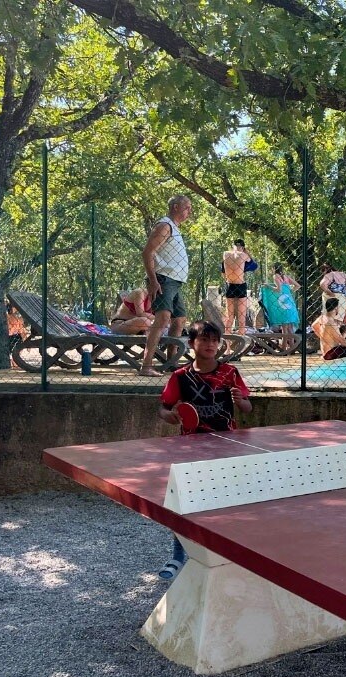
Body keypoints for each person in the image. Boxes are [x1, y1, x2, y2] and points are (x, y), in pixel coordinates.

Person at [156, 319, 252, 579]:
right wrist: (169, 416)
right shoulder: (180, 376)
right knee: (184, 503)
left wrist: (241, 401)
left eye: (214, 340)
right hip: (191, 448)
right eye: (204, 339)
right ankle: (178, 556)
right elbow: (163, 408)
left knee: (224, 500)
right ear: (191, 343)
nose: (210, 344)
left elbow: (247, 408)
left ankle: (223, 553)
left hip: (226, 446)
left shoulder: (230, 373)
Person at [139, 194, 192, 377]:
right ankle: (146, 366)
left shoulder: (175, 228)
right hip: (163, 279)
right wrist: (153, 281)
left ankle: (171, 363)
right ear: (175, 207)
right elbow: (147, 253)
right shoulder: (164, 226)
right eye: (187, 207)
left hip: (175, 281)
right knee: (162, 319)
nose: (189, 211)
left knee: (179, 320)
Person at [222, 240, 256, 334]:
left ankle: (227, 341)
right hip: (240, 285)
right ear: (243, 247)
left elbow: (223, 271)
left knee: (229, 316)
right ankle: (242, 338)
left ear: (232, 246)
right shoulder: (244, 255)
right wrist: (246, 253)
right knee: (241, 317)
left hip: (230, 285)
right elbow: (254, 265)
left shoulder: (225, 254)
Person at [6, 302, 28, 368]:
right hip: (11, 336)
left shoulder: (18, 318)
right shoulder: (9, 317)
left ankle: (14, 360)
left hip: (15, 336)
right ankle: (13, 360)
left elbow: (21, 330)